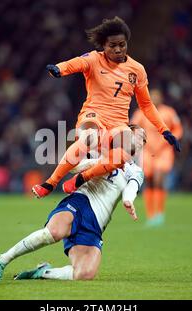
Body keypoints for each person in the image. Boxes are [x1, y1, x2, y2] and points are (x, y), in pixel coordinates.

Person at [32, 16, 180, 199]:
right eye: (112, 45)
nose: (118, 49)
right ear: (103, 45)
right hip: (93, 115)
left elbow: (146, 104)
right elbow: (76, 63)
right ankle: (50, 183)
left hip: (118, 123)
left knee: (127, 151)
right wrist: (59, 69)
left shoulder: (137, 70)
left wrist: (164, 130)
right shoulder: (94, 59)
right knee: (90, 138)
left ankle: (82, 177)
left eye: (122, 44)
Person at [0, 125, 146, 281]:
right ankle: (2, 261)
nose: (141, 141)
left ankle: (42, 273)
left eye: (143, 139)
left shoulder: (136, 171)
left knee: (84, 274)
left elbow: (131, 188)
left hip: (97, 222)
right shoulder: (103, 152)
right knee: (54, 232)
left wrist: (128, 200)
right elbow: (73, 167)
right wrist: (93, 163)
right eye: (138, 136)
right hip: (81, 201)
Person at [132, 88, 183, 227]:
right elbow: (133, 128)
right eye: (152, 96)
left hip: (164, 150)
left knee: (159, 178)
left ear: (161, 98)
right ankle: (151, 215)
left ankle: (160, 214)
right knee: (149, 180)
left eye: (156, 96)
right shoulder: (141, 111)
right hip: (147, 150)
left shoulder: (169, 112)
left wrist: (171, 140)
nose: (154, 98)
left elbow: (178, 129)